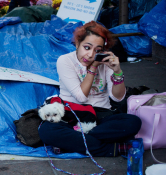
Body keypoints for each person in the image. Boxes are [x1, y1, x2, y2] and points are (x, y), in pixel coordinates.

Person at [38, 21, 141, 157]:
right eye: (87, 47)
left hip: (100, 115)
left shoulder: (105, 63)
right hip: (72, 115)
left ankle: (73, 142)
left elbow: (118, 97)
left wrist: (117, 71)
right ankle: (112, 148)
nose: (91, 55)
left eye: (98, 50)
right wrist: (93, 68)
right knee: (47, 131)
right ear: (77, 44)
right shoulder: (65, 61)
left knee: (133, 122)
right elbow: (81, 97)